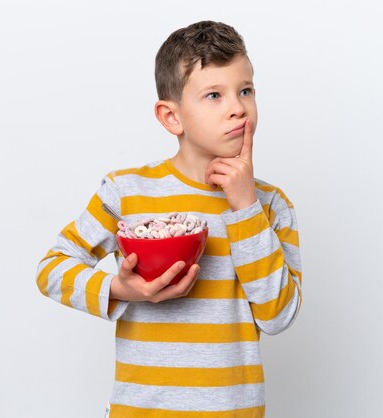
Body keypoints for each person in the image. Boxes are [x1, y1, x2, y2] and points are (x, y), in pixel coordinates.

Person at [36, 20, 303, 418]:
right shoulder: (125, 192)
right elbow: (51, 269)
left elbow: (278, 315)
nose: (238, 107)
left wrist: (244, 207)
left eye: (245, 90)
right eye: (214, 94)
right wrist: (120, 289)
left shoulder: (269, 204)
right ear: (171, 117)